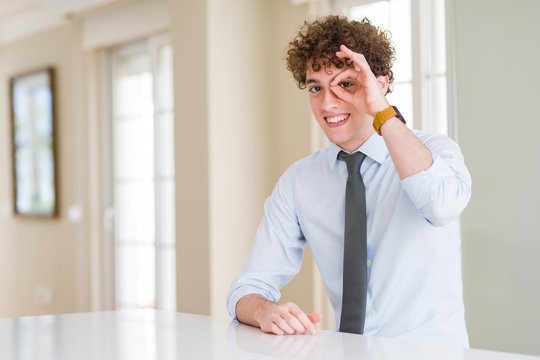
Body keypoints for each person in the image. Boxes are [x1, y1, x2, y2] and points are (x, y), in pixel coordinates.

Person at [226, 15, 471, 347]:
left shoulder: (435, 152)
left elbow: (441, 206)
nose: (328, 104)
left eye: (346, 84)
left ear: (378, 85)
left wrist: (382, 111)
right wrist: (263, 310)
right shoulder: (300, 181)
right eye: (316, 88)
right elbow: (247, 289)